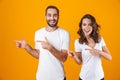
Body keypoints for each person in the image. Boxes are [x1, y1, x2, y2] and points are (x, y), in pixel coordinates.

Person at [15, 5, 70, 80]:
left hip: (58, 77)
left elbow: (63, 58)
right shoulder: (38, 33)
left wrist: (50, 48)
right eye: (49, 15)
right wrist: (27, 47)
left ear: (58, 16)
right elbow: (38, 55)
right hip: (41, 77)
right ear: (45, 17)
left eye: (55, 15)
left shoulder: (64, 33)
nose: (52, 18)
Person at [68, 14, 112, 80]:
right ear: (81, 26)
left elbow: (109, 57)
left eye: (89, 24)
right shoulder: (78, 42)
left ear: (93, 26)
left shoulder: (99, 39)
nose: (87, 27)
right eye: (84, 24)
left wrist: (99, 52)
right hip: (84, 77)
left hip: (99, 77)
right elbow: (79, 62)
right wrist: (74, 56)